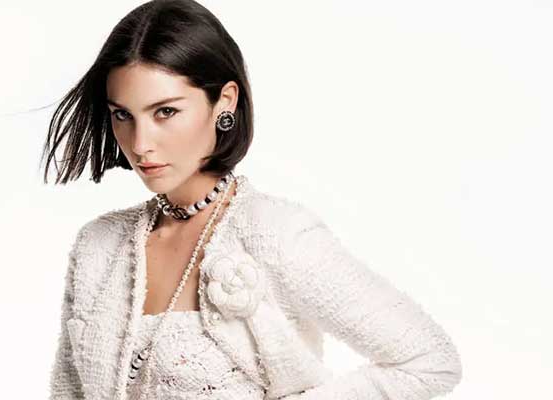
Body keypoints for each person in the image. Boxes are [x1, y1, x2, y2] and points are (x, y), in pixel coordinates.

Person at [42, 1, 463, 399]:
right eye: (123, 115)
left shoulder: (275, 234)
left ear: (224, 101)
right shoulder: (99, 245)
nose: (140, 143)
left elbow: (429, 360)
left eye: (165, 112)